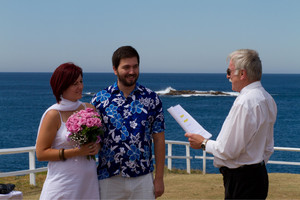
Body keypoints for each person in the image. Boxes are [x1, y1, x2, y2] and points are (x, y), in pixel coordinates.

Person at [185, 49, 277, 199]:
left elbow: (228, 149)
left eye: (229, 71)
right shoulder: (267, 98)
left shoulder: (245, 102)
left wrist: (202, 143)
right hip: (258, 176)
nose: (227, 76)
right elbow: (267, 147)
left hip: (242, 180)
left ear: (242, 74)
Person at [91, 45, 165, 199]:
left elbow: (158, 139)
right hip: (108, 179)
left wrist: (159, 179)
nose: (132, 71)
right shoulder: (99, 100)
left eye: (135, 66)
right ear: (115, 69)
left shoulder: (152, 99)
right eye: (126, 67)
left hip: (143, 178)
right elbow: (94, 141)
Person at [36, 62, 100, 200]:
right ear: (62, 85)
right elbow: (41, 153)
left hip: (88, 183)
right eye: (74, 83)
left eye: (81, 81)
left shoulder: (89, 109)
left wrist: (96, 147)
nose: (80, 87)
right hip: (63, 184)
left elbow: (99, 140)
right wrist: (76, 152)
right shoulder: (53, 114)